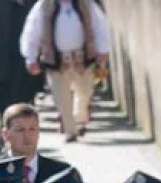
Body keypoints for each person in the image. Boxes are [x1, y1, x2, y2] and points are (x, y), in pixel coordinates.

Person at [20, 0, 109, 142]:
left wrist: (103, 49)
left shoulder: (86, 4)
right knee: (61, 97)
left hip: (83, 57)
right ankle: (70, 130)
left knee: (85, 92)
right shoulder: (44, 5)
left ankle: (79, 119)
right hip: (56, 59)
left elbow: (100, 27)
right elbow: (32, 31)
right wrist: (30, 57)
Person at [0, 0, 41, 116]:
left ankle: (23, 121)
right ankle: (7, 121)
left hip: (26, 49)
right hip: (2, 49)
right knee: (3, 89)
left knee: (26, 88)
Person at [0, 102, 69, 183]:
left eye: (32, 129)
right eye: (20, 130)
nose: (27, 136)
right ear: (6, 135)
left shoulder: (61, 173)